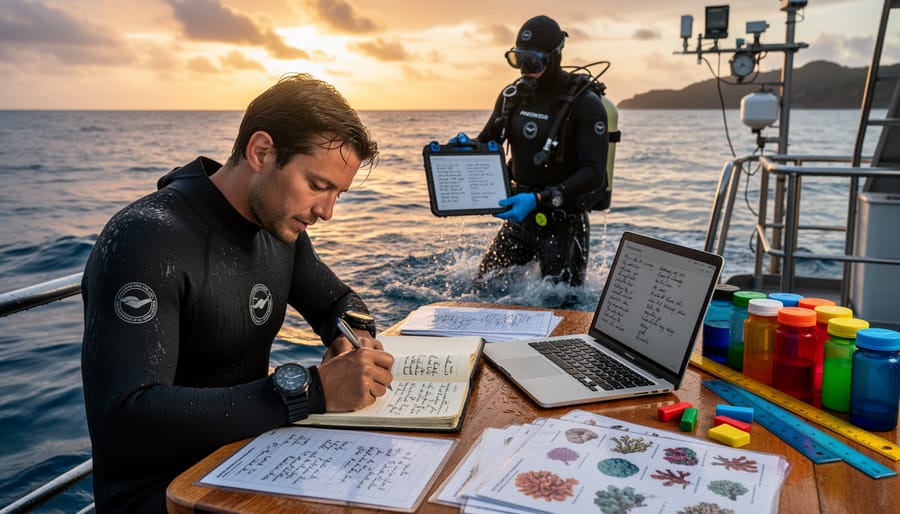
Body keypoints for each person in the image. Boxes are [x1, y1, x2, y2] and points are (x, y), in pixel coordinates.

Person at [80, 73, 394, 513]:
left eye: (337, 194)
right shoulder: (146, 239)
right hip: (160, 494)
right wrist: (312, 390)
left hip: (250, 459)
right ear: (261, 151)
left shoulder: (279, 231)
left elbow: (338, 302)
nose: (327, 212)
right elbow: (127, 417)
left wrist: (351, 339)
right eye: (318, 186)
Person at [464, 15, 610, 287]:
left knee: (560, 308)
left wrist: (539, 198)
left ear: (554, 57)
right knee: (482, 287)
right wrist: (463, 147)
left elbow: (594, 173)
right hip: (520, 220)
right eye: (518, 59)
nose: (524, 70)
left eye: (533, 61)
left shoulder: (586, 105)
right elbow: (487, 142)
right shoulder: (512, 96)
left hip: (563, 223)